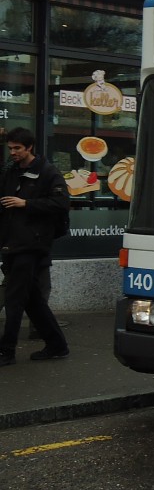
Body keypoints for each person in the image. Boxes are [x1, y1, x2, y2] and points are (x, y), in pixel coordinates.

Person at [0, 126, 71, 365]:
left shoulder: (47, 172)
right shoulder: (10, 171)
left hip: (31, 244)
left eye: (17, 148)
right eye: (10, 148)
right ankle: (57, 345)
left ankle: (6, 351)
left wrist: (26, 203)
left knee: (14, 299)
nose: (13, 152)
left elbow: (61, 203)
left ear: (29, 147)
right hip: (12, 243)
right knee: (32, 299)